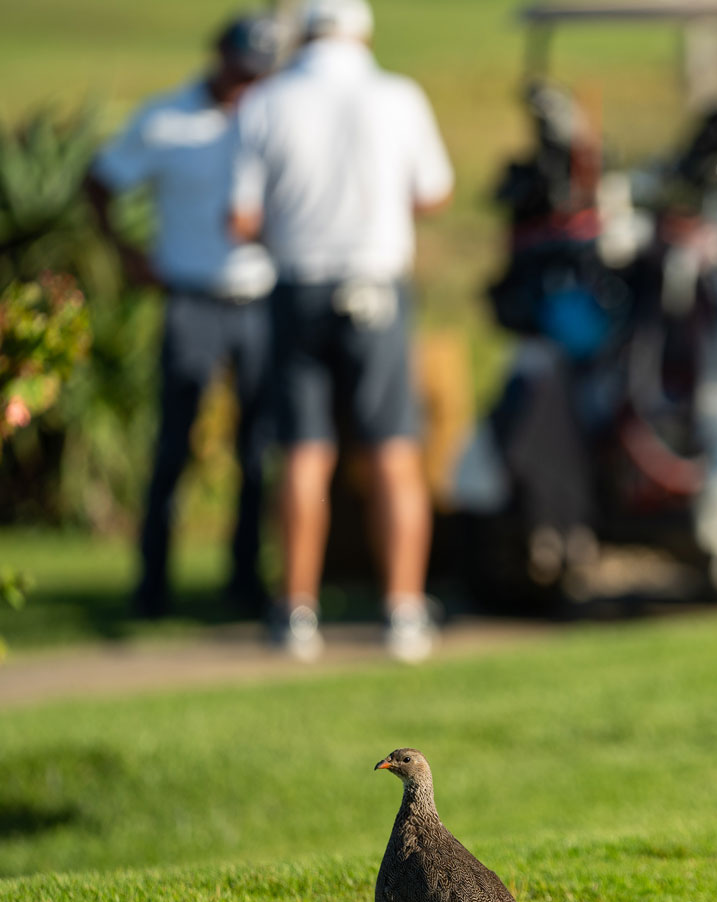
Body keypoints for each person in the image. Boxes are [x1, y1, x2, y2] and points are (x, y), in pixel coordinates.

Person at [230, 0, 454, 661]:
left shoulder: (266, 101)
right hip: (377, 284)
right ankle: (404, 613)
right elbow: (433, 189)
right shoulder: (398, 96)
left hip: (298, 285)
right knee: (393, 450)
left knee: (303, 452)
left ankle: (296, 614)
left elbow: (241, 217)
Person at [87, 15, 285, 618]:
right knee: (174, 446)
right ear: (218, 57)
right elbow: (100, 182)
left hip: (263, 298)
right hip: (192, 298)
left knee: (260, 449)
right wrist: (128, 255)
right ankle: (153, 586)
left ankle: (246, 582)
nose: (246, 85)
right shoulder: (165, 118)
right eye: (239, 71)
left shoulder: (277, 116)